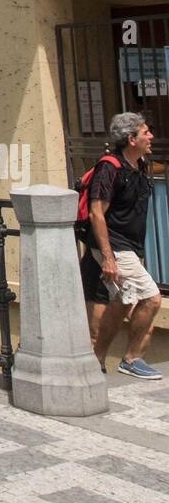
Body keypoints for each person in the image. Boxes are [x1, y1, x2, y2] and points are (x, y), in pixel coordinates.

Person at [88, 112, 163, 379]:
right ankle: (131, 359)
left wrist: (138, 254)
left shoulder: (139, 165)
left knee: (123, 299)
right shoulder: (109, 168)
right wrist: (108, 258)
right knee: (152, 298)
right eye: (145, 132)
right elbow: (96, 213)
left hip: (128, 248)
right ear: (131, 139)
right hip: (115, 247)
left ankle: (96, 357)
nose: (151, 136)